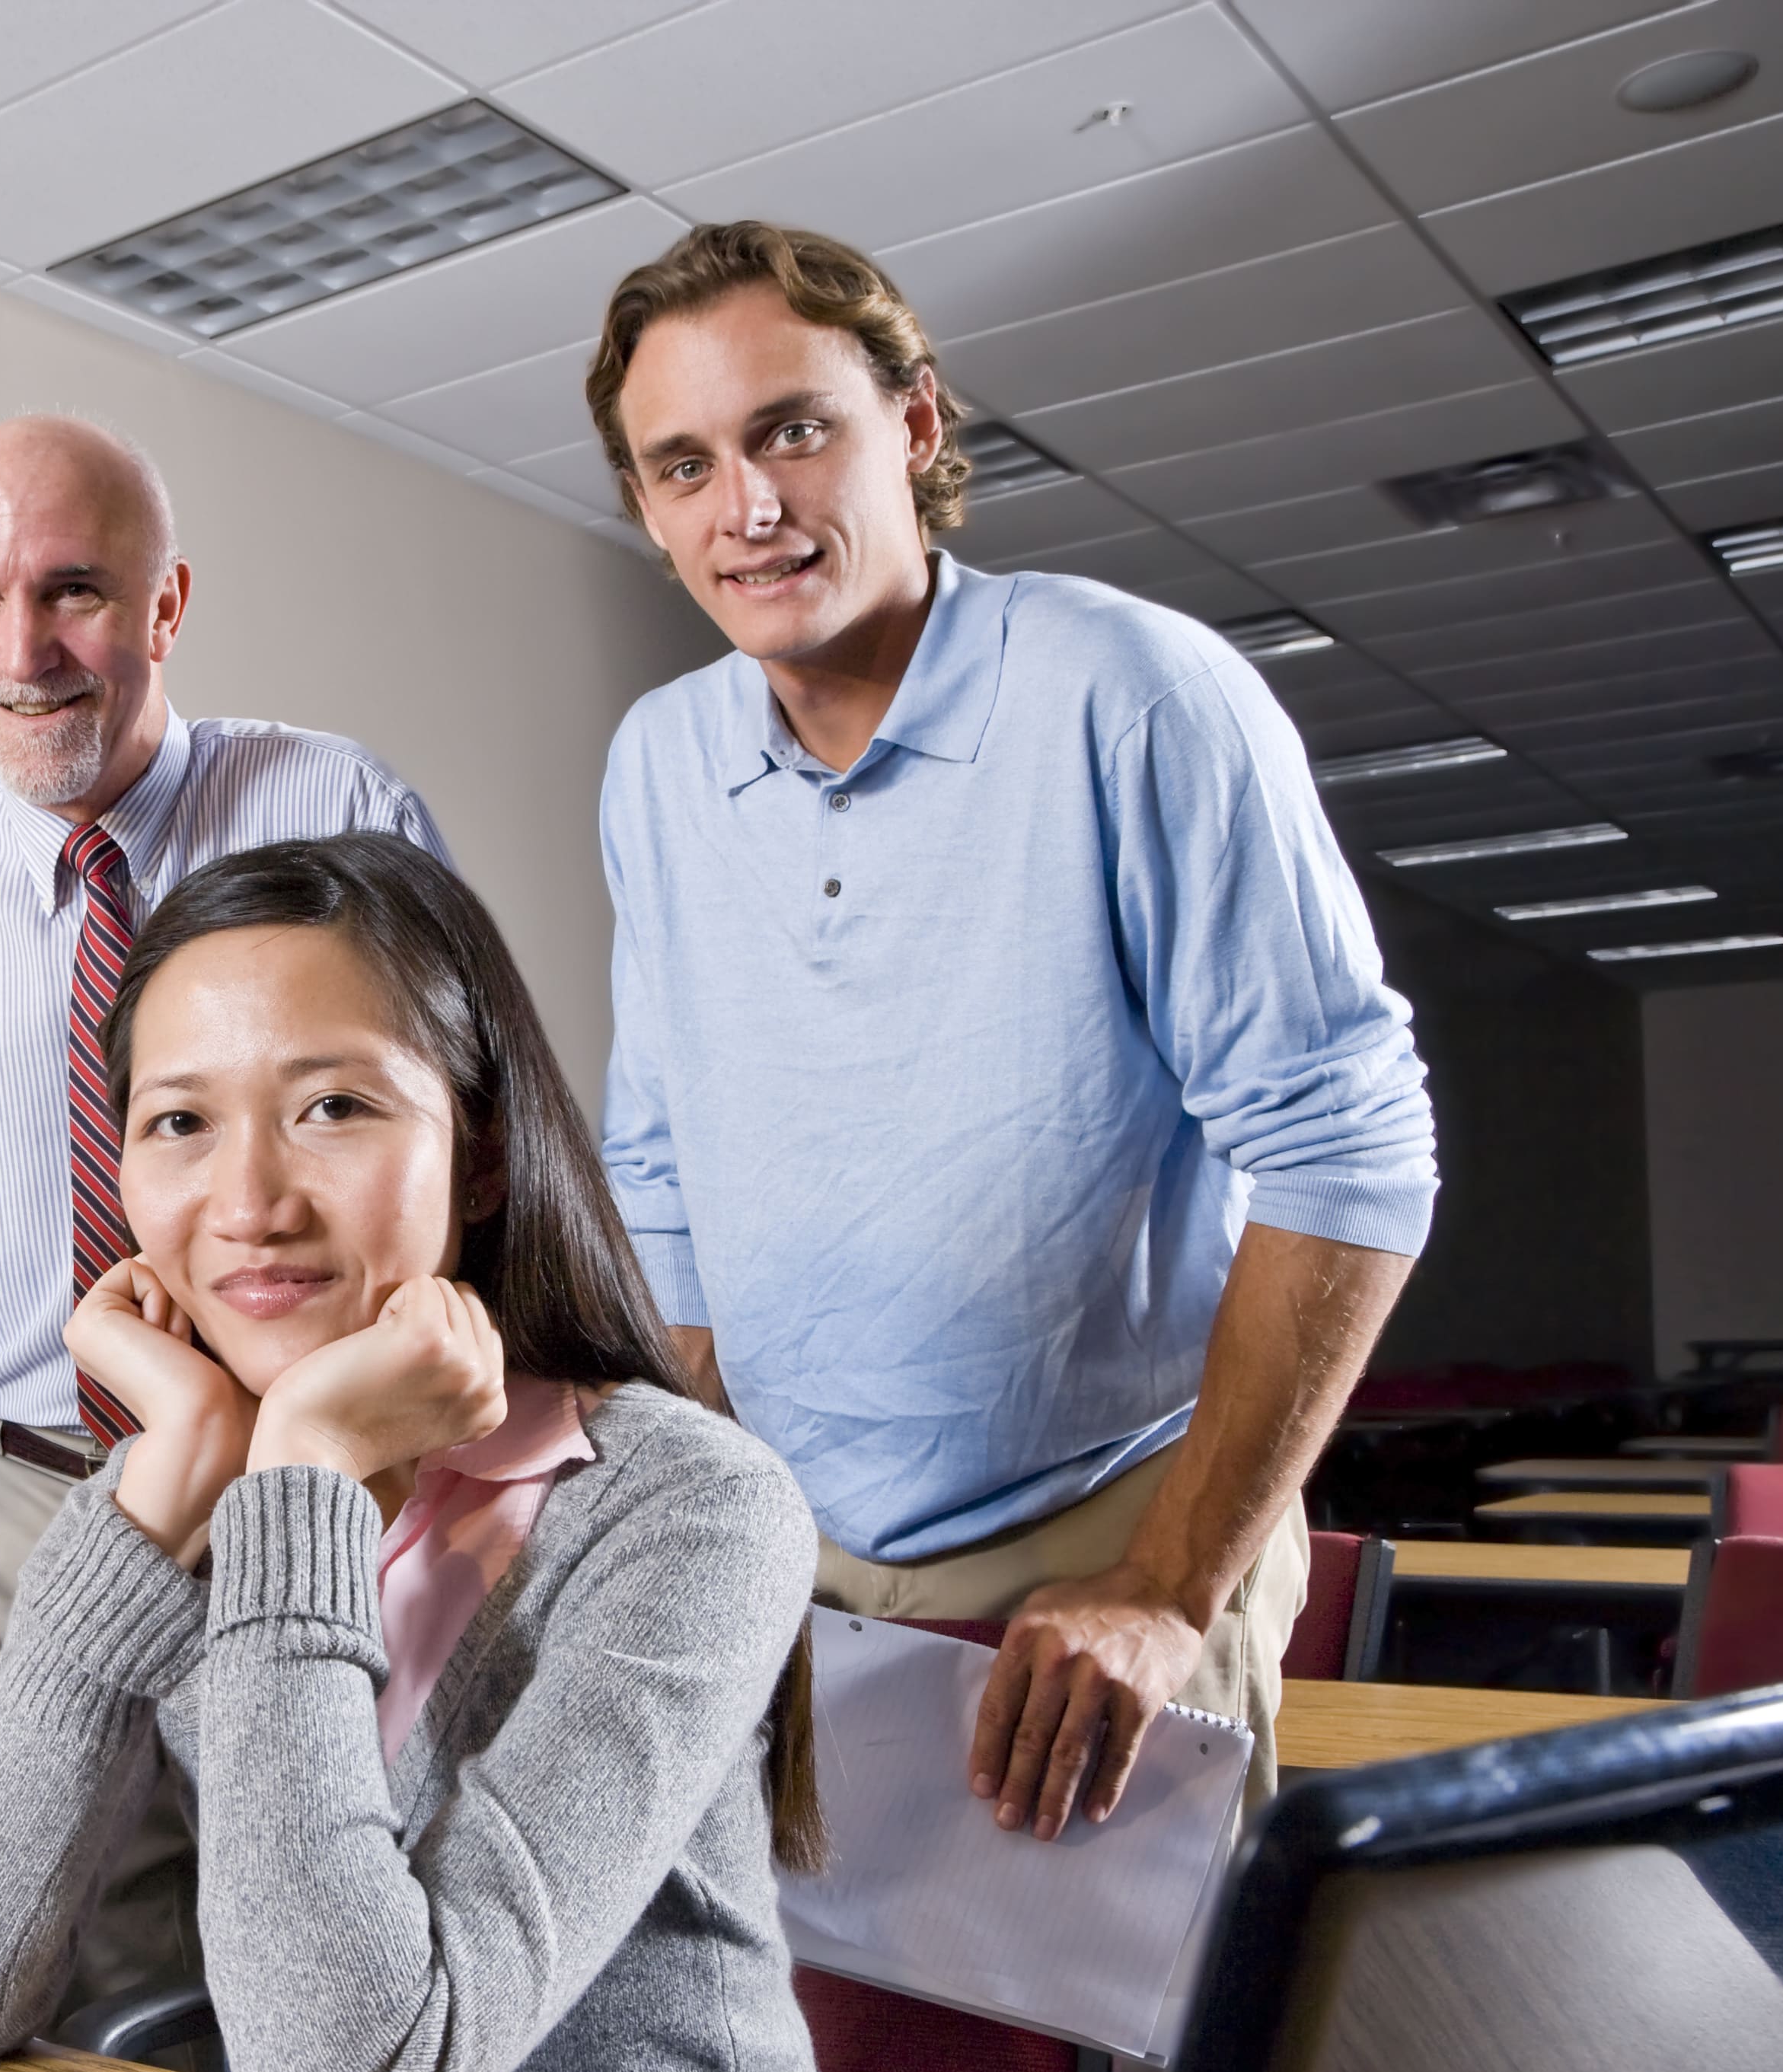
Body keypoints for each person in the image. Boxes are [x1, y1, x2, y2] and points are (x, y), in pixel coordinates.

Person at [585, 222, 1437, 1834]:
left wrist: (1172, 1582)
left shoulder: (1134, 691)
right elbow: (659, 1160)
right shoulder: (655, 758)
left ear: (912, 424)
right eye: (682, 464)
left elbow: (1353, 1145)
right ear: (646, 505)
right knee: (829, 2066)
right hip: (798, 1552)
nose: (746, 507)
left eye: (791, 429)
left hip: (1107, 1545)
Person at [0, 836, 836, 2072]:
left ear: (478, 1154)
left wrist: (301, 1468)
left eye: (333, 1107)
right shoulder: (191, 1485)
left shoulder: (691, 1510)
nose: (248, 1204)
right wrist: (165, 1481)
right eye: (179, 1121)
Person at [0, 413, 452, 2016]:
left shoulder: (334, 807)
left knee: (340, 1927)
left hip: (311, 1469)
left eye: (72, 591)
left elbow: (467, 1162)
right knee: (71, 1970)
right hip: (26, 1497)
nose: (23, 648)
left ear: (165, 607)